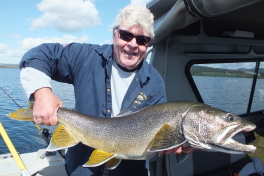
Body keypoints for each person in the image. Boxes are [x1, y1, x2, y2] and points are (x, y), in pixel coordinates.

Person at [19, 5, 193, 176]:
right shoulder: (85, 56)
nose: (133, 44)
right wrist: (42, 92)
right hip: (81, 169)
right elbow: (37, 55)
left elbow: (158, 139)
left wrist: (169, 144)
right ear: (114, 34)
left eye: (142, 40)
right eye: (126, 35)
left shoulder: (154, 82)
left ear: (148, 44)